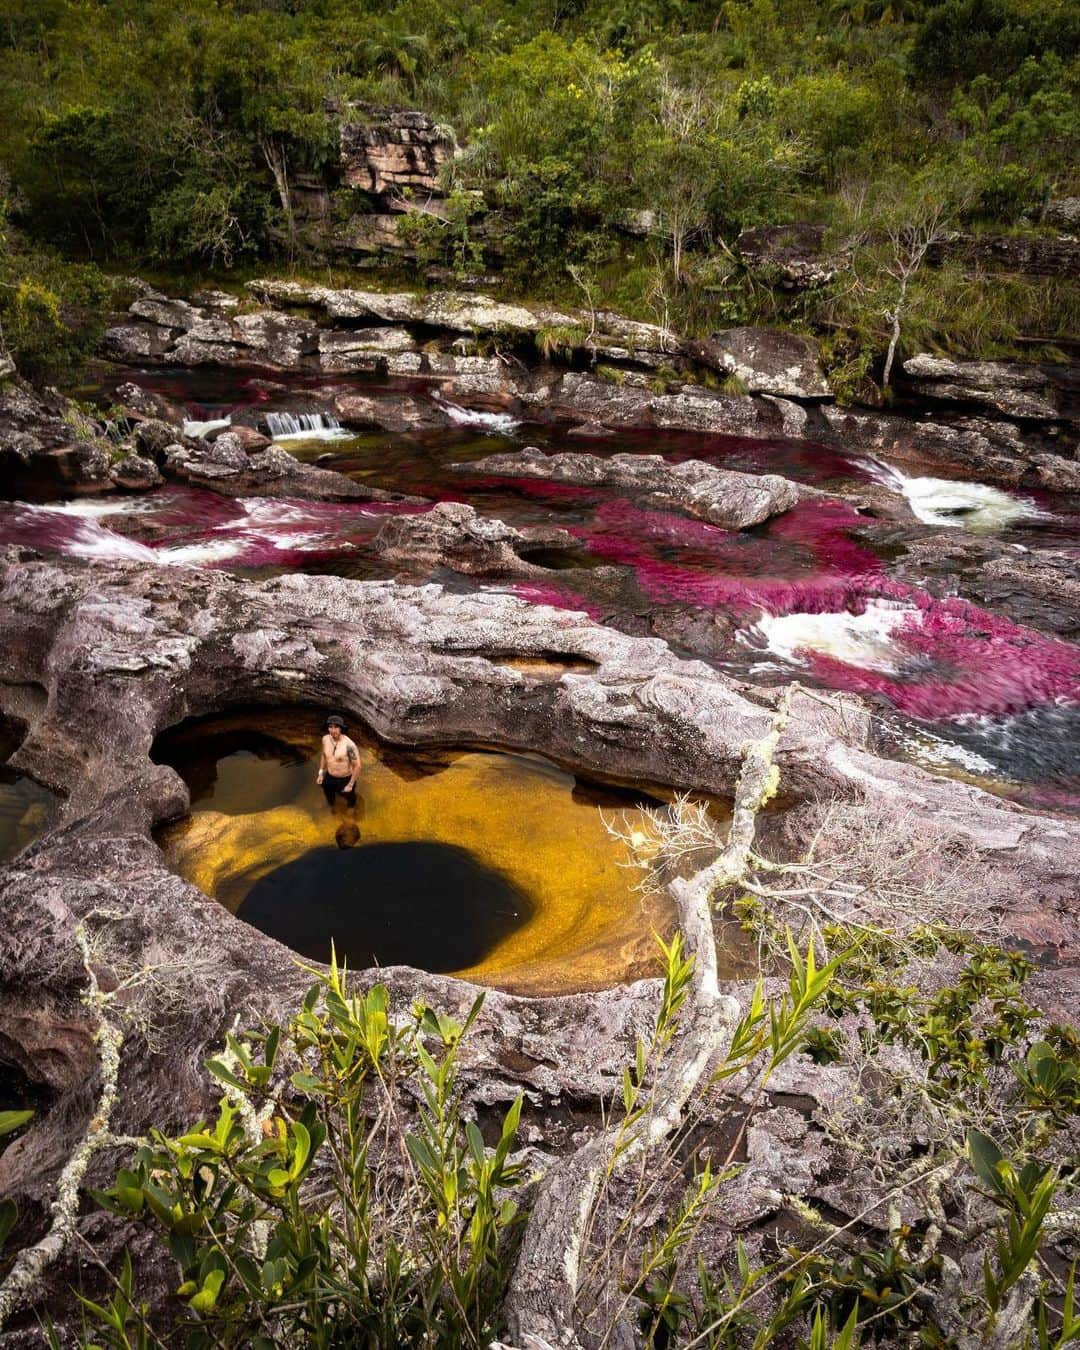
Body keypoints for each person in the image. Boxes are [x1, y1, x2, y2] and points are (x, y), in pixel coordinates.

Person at [317, 714, 359, 807]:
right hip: (329, 775)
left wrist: (350, 784)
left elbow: (357, 766)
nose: (332, 730)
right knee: (327, 792)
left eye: (336, 727)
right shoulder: (325, 739)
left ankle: (351, 810)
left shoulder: (349, 745)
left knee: (349, 796)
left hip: (344, 778)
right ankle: (332, 807)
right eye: (330, 727)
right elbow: (324, 755)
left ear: (341, 729)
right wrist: (321, 773)